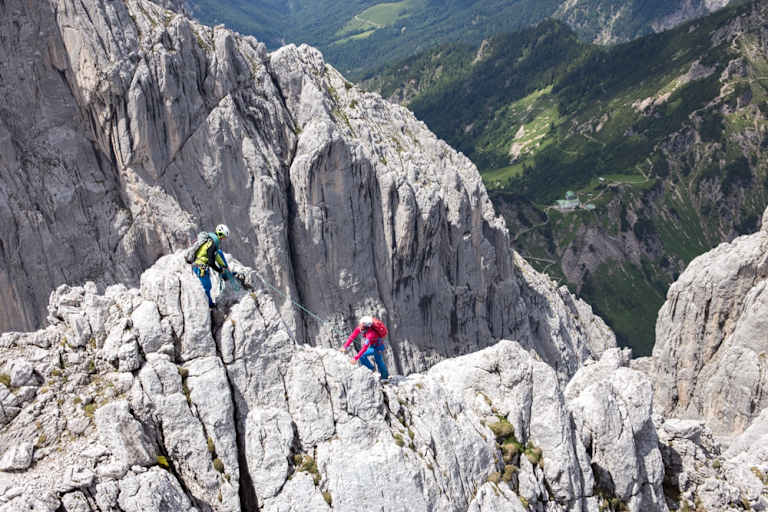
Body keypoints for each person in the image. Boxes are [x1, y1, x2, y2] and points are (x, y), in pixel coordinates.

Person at [190, 224, 233, 308]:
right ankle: (209, 306)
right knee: (206, 287)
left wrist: (223, 266)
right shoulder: (212, 243)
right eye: (223, 237)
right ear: (220, 235)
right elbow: (211, 261)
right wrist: (219, 270)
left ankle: (208, 305)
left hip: (199, 266)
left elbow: (216, 255)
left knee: (206, 286)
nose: (223, 239)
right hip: (200, 267)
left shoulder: (211, 241)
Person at [340, 315, 389, 381]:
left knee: (378, 361)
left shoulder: (371, 334)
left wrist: (355, 358)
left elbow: (365, 348)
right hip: (373, 345)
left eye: (361, 324)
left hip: (378, 347)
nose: (359, 325)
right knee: (374, 359)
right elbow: (352, 336)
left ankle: (384, 377)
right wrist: (345, 346)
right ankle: (373, 370)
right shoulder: (362, 328)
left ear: (365, 326)